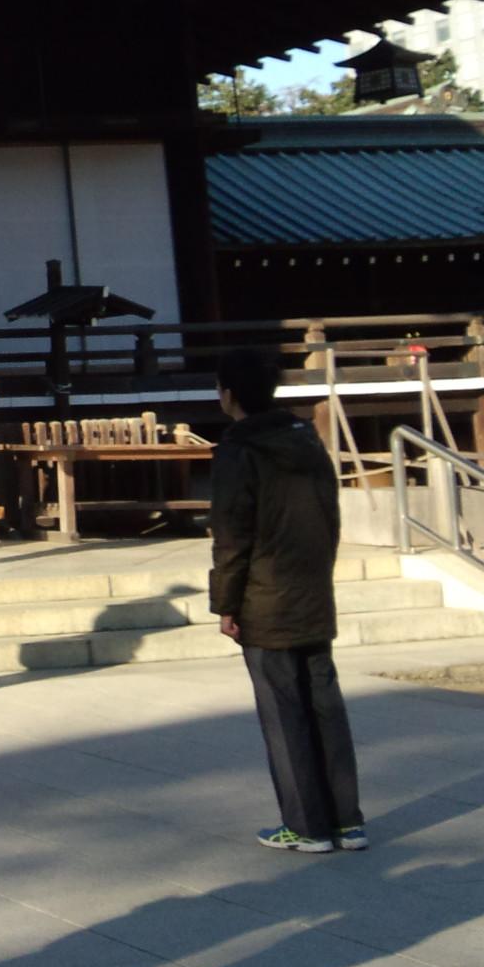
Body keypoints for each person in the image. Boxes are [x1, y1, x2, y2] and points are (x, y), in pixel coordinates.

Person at [211, 348, 366, 856]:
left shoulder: (239, 449)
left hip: (266, 598)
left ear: (228, 394)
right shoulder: (307, 439)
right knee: (326, 709)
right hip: (313, 590)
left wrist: (226, 603)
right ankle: (347, 822)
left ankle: (306, 827)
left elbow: (232, 535)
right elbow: (330, 516)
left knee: (284, 715)